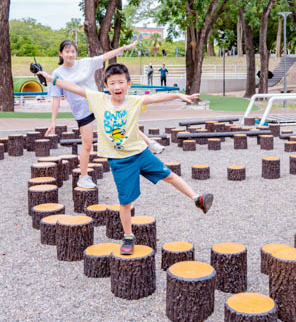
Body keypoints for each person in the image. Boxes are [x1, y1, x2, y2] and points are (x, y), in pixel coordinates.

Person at [38, 63, 213, 254]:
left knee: (169, 175)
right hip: (120, 161)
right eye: (112, 83)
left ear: (128, 84)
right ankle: (128, 236)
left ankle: (197, 198)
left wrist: (177, 95)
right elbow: (74, 88)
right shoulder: (99, 99)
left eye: (121, 82)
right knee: (125, 203)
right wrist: (51, 79)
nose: (117, 86)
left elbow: (156, 97)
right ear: (106, 86)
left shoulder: (134, 102)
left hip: (140, 153)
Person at [45, 39, 164, 191]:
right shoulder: (57, 73)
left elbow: (105, 56)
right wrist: (53, 120)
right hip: (82, 111)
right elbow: (56, 98)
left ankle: (149, 143)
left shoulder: (85, 63)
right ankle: (83, 178)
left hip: (99, 103)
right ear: (61, 54)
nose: (70, 54)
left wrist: (124, 47)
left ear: (76, 53)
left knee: (123, 124)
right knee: (87, 144)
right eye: (67, 51)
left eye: (73, 51)